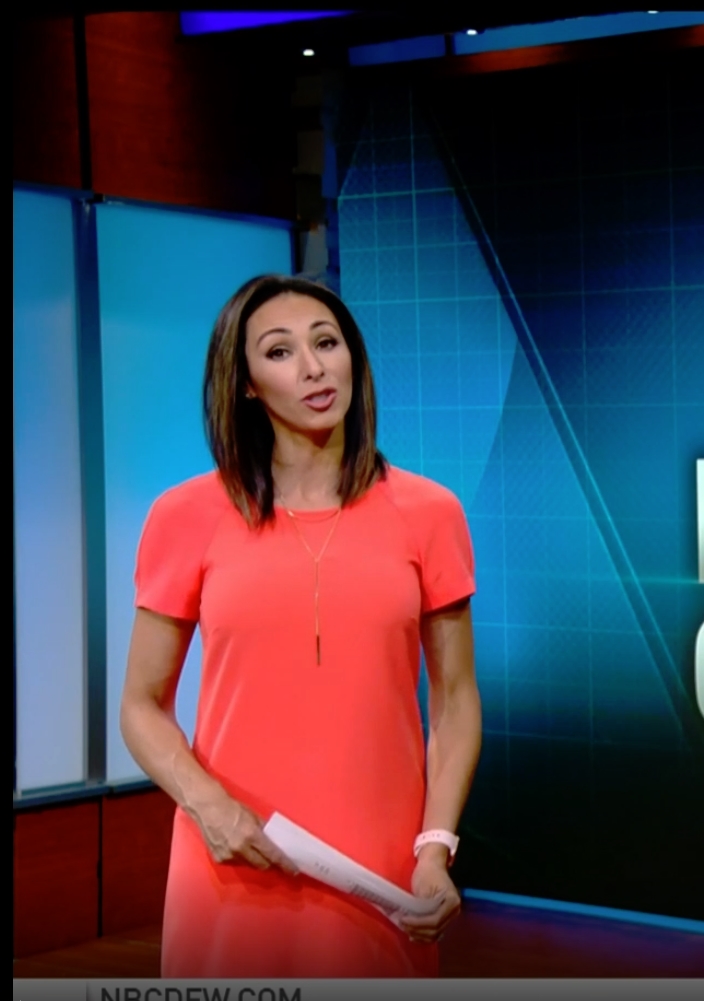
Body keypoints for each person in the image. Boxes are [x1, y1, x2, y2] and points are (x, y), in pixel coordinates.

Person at [120, 274, 482, 978]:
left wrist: (435, 847)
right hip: (230, 859)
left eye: (326, 342)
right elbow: (140, 704)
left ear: (354, 358)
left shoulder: (431, 513)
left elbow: (456, 702)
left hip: (380, 873)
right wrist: (208, 806)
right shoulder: (184, 515)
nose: (314, 367)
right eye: (280, 352)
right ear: (246, 385)